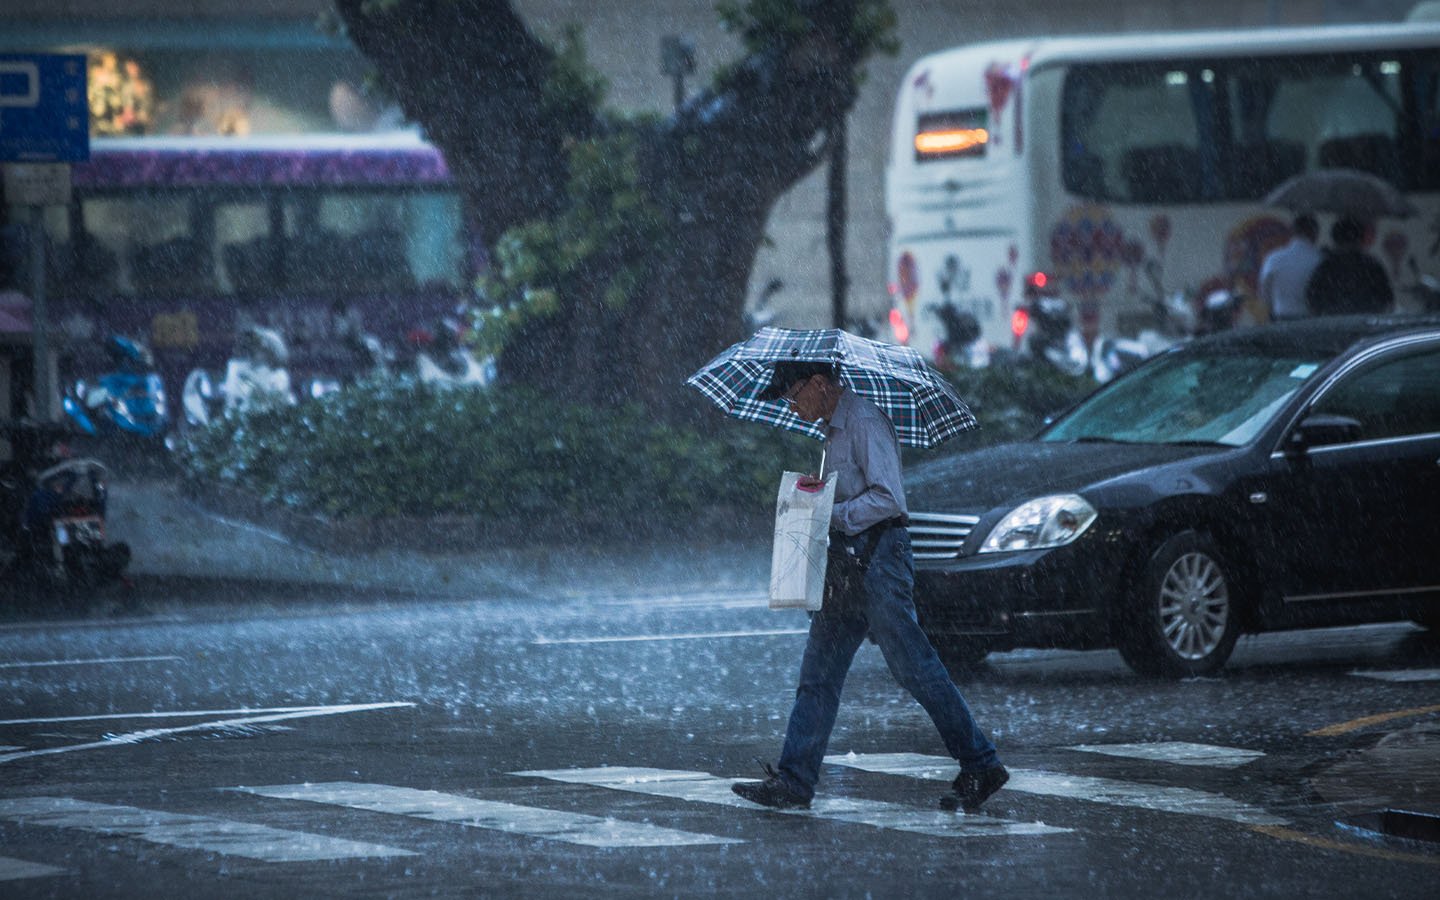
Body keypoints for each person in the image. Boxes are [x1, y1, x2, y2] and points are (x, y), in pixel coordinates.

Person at [730, 361, 1008, 813]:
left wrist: (828, 515)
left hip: (880, 560)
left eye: (794, 393)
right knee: (818, 676)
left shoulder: (863, 421)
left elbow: (888, 498)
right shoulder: (832, 430)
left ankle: (981, 762)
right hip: (849, 565)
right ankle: (794, 781)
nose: (792, 404)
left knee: (915, 668)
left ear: (820, 384)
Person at [1305, 216, 1395, 316]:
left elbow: (1313, 301)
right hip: (1368, 327)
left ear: (1335, 240)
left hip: (1332, 326)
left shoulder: (1326, 267)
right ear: (1361, 240)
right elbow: (1386, 301)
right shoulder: (1372, 267)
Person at [1258, 213, 1321, 322]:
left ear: (1292, 232)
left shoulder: (1274, 259)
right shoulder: (1319, 259)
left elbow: (1264, 292)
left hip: (1281, 316)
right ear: (1315, 233)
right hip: (1311, 320)